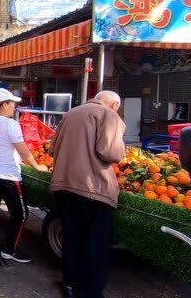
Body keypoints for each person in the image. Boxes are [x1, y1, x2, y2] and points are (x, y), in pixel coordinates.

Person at [50, 91, 126, 298]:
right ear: (114, 105)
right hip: (94, 188)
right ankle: (90, 291)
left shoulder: (71, 113)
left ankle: (70, 284)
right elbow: (112, 153)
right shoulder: (108, 115)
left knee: (72, 237)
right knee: (97, 242)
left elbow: (52, 148)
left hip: (65, 185)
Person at [0, 88, 49, 263]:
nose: (14, 107)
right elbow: (23, 151)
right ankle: (10, 249)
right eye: (12, 103)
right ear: (3, 105)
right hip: (7, 177)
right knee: (20, 214)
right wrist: (36, 166)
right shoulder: (10, 124)